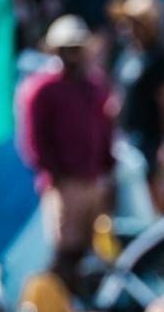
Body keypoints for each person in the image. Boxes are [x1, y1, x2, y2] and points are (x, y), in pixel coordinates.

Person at [16, 16, 115, 294]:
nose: (72, 55)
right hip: (64, 182)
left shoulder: (94, 86)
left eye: (76, 48)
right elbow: (34, 141)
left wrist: (106, 168)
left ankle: (83, 304)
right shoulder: (41, 89)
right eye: (66, 49)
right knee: (65, 250)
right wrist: (55, 175)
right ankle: (59, 305)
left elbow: (104, 128)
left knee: (93, 249)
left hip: (93, 178)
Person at [112, 0, 164, 216]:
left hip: (151, 138)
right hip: (128, 136)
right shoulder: (128, 54)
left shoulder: (159, 58)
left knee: (155, 195)